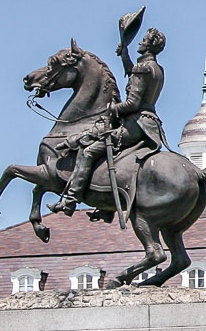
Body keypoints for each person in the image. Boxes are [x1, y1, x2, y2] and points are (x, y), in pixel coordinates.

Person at [59, 25, 166, 225]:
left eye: (143, 40)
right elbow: (134, 75)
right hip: (150, 123)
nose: (140, 42)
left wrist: (113, 108)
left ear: (149, 45)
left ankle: (71, 200)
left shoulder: (142, 68)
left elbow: (132, 103)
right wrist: (124, 55)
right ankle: (104, 205)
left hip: (135, 124)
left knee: (90, 151)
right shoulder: (157, 69)